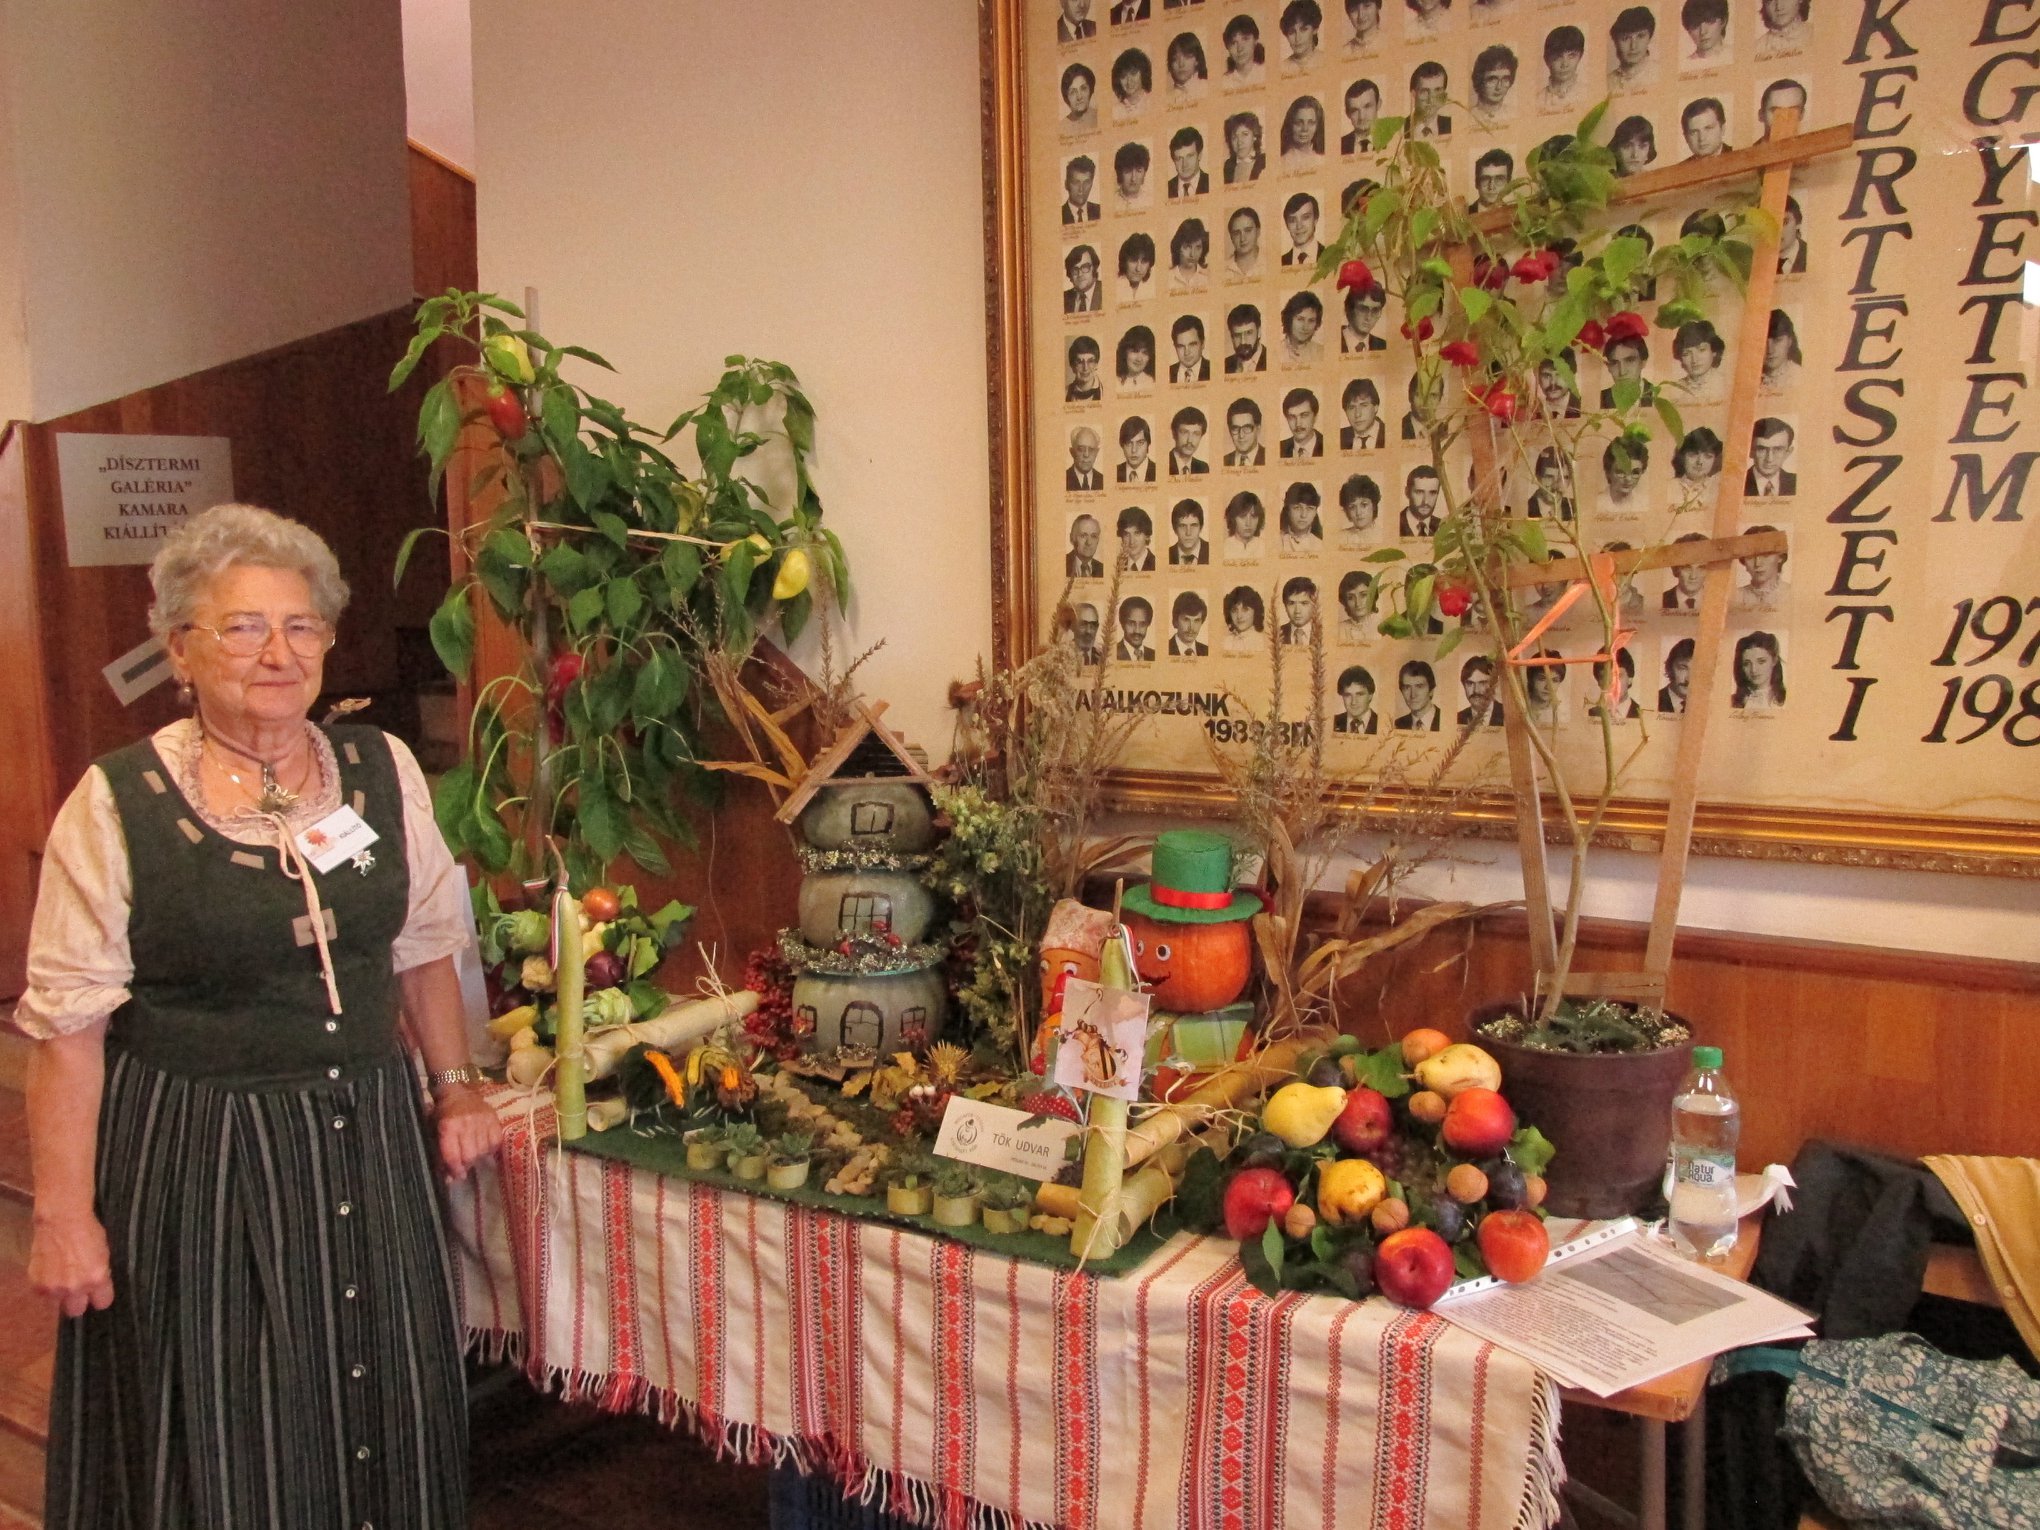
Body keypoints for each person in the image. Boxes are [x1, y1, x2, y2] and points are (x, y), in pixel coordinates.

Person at [21, 503, 496, 1529]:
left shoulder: (378, 769)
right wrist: (62, 1216)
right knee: (227, 1424)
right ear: (179, 649)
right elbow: (68, 1033)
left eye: (300, 625)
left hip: (371, 1138)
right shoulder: (118, 802)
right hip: (199, 1153)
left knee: (389, 1396)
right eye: (242, 627)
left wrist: (457, 1089)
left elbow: (423, 943)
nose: (278, 653)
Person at [1671, 319, 1727, 405]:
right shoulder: (1674, 390)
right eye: (1686, 353)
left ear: (1714, 351)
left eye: (1702, 349)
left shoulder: (1725, 385)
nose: (1694, 360)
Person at [1734, 524, 1788, 612]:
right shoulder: (1734, 597)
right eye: (1750, 557)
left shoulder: (1792, 594)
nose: (1758, 564)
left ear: (1780, 557)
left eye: (1765, 555)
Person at [1732, 630, 1786, 711]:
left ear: (1774, 661)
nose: (1753, 670)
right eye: (1747, 664)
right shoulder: (1733, 702)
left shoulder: (1786, 700)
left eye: (1761, 662)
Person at [1538, 25, 1587, 112]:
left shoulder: (1587, 93)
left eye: (1572, 56)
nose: (1565, 64)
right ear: (1546, 59)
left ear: (1580, 56)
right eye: (1558, 57)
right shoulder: (1538, 100)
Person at [1608, 7, 1658, 93]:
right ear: (1616, 42)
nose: (1633, 46)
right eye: (1625, 38)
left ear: (1650, 38)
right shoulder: (1608, 81)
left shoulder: (1658, 72)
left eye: (1640, 36)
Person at [1599, 333, 1653, 409]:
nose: (1622, 372)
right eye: (1614, 363)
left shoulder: (1657, 394)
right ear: (1608, 367)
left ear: (1643, 362)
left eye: (1630, 360)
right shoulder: (1600, 399)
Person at [1471, 44, 1517, 128]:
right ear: (1480, 80)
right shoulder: (1469, 116)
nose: (1499, 87)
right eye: (1492, 79)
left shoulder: (1514, 114)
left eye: (1505, 79)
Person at [1747, 417, 1797, 497]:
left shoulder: (1797, 483)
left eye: (1778, 449)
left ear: (1788, 452)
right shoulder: (1735, 483)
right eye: (1762, 449)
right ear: (1750, 451)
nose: (1769, 459)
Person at [1662, 532, 1710, 611]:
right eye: (1687, 568)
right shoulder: (1659, 601)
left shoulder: (1720, 602)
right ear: (1675, 569)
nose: (1693, 576)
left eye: (1701, 568)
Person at [1674, 427, 1723, 503]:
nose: (1700, 462)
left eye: (1708, 456)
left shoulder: (1719, 489)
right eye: (1693, 454)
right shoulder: (1669, 488)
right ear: (1683, 456)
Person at [1525, 446, 1575, 522]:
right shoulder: (1524, 510)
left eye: (1564, 478)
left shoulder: (1576, 510)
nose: (1556, 486)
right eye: (1549, 477)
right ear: (1537, 477)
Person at [1589, 648, 1640, 721]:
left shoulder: (1642, 714)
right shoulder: (1591, 714)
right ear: (1599, 682)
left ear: (1630, 679)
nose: (1612, 683)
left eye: (1618, 675)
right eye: (1605, 677)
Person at [1278, 290, 1326, 367]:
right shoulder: (1276, 351)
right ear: (1289, 319)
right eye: (1300, 319)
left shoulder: (1321, 352)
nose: (1305, 327)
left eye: (1311, 320)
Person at [1760, 309, 1802, 395]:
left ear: (1789, 341)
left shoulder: (1798, 375)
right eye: (1763, 342)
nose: (1770, 350)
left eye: (1777, 340)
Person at [1601, 437, 1650, 511]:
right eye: (1621, 472)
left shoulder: (1644, 505)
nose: (1628, 479)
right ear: (1608, 471)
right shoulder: (1597, 504)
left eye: (1635, 472)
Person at [1221, 13, 1267, 89]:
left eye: (1245, 39)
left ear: (1255, 40)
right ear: (1227, 47)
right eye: (1233, 43)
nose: (1240, 48)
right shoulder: (1223, 82)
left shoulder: (1266, 72)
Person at [1279, 96, 1327, 170]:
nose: (1305, 129)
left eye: (1311, 123)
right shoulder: (1282, 162)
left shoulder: (1323, 159)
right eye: (1299, 123)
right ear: (1290, 124)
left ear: (1317, 126)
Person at [1341, 281, 1389, 352]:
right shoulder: (1333, 341)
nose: (1368, 317)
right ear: (1349, 308)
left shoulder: (1383, 345)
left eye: (1375, 310)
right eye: (1363, 309)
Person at [1393, 659, 1442, 730]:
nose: (1413, 695)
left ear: (1431, 690)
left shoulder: (1446, 720)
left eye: (1419, 686)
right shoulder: (1396, 725)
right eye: (1407, 687)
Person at [1166, 218, 1211, 293]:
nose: (1192, 254)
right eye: (1187, 247)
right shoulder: (1167, 278)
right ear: (1178, 247)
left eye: (1198, 247)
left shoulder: (1209, 277)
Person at [1278, 482, 1324, 554]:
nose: (1303, 515)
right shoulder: (1277, 541)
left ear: (1315, 512)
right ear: (1288, 510)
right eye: (1297, 508)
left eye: (1309, 508)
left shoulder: (1320, 544)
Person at [1409, 60, 1452, 136]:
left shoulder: (1451, 125)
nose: (1431, 100)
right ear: (1413, 95)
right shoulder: (1400, 128)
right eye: (1425, 91)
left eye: (1438, 90)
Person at [1680, 0, 1730, 67]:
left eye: (1710, 21)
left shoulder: (1733, 55)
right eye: (1695, 25)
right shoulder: (1686, 64)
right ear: (1689, 31)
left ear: (1723, 21)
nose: (1703, 32)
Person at [1336, 473, 1381, 545]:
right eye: (1352, 507)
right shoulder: (1341, 537)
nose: (1358, 512)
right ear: (1347, 511)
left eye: (1364, 505)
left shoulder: (1382, 535)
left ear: (1374, 506)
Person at [1165, 31, 1210, 102]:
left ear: (1197, 60)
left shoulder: (1207, 88)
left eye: (1187, 56)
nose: (1181, 64)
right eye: (1175, 59)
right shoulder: (1167, 98)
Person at [1279, 192, 1323, 266]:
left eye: (1305, 217)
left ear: (1315, 219)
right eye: (1292, 220)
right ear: (1287, 225)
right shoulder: (1281, 262)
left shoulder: (1330, 255)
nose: (1299, 226)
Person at [1280, 387, 1324, 458]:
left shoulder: (1328, 445)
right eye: (1292, 417)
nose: (1298, 424)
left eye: (1304, 415)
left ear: (1315, 417)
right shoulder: (1279, 448)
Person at [1340, 379, 1386, 449]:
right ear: (1345, 412)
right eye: (1351, 408)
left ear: (1376, 407)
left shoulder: (1390, 434)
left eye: (1364, 405)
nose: (1357, 414)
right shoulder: (1339, 437)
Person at [1399, 464, 1443, 537]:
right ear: (1407, 492)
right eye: (1419, 492)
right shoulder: (1394, 523)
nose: (1426, 501)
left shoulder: (1444, 527)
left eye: (1432, 493)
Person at [1522, 651, 1565, 726]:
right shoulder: (1520, 709)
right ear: (1531, 679)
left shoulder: (1561, 714)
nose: (1548, 687)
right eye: (1542, 679)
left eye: (1554, 680)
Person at [1280, 0, 1324, 71]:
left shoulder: (1327, 61)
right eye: (1292, 32)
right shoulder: (1282, 69)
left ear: (1315, 29)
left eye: (1303, 29)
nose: (1298, 38)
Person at [1535, 350, 1581, 418]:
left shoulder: (1585, 408)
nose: (1553, 382)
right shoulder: (1532, 412)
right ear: (1538, 377)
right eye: (1546, 376)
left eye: (1560, 375)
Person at [1341, 78, 1382, 154]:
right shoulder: (1341, 145)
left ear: (1379, 104)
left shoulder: (1392, 140)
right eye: (1354, 110)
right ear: (1347, 113)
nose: (1361, 117)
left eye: (1367, 107)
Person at [1223, 205, 1264, 280]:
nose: (1242, 239)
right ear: (1231, 237)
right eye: (1236, 233)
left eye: (1248, 230)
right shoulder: (1223, 269)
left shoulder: (1269, 262)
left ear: (1258, 232)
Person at [1167, 126, 1210, 198]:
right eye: (1179, 158)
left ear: (1199, 155)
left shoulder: (1210, 182)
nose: (1185, 164)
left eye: (1190, 156)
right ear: (1173, 160)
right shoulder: (1166, 188)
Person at [1111, 142, 1154, 213]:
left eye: (1139, 171)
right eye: (1128, 171)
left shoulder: (1150, 200)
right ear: (1119, 173)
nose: (1133, 178)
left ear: (1144, 173)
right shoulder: (1111, 202)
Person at [1223, 113, 1266, 184]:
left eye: (1245, 134)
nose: (1239, 142)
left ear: (1255, 136)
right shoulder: (1228, 166)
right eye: (1234, 137)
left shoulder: (1264, 162)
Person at [1333, 665, 1379, 731]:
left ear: (1370, 695)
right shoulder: (1334, 722)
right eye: (1348, 695)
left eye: (1359, 694)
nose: (1353, 702)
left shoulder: (1381, 724)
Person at [1111, 48, 1153, 120]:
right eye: (1123, 76)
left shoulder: (1154, 101)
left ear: (1143, 73)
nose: (1129, 81)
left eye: (1133, 73)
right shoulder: (1115, 111)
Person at [1117, 229, 1158, 302]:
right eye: (1134, 260)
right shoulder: (1115, 290)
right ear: (1124, 261)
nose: (1138, 268)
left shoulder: (1151, 291)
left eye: (1144, 261)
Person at [1223, 493, 1267, 561]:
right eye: (1242, 516)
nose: (1248, 523)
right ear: (1233, 519)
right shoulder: (1223, 548)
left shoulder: (1265, 547)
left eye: (1253, 516)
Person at [1401, 371, 1444, 440]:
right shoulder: (1399, 428)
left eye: (1433, 395)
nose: (1426, 402)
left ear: (1440, 399)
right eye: (1420, 394)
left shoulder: (1445, 429)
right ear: (1410, 396)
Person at [1225, 303, 1268, 372]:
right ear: (1231, 336)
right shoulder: (1225, 364)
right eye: (1237, 335)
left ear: (1259, 332)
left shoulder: (1271, 359)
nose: (1243, 342)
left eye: (1248, 333)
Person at [1223, 585, 1266, 653]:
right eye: (1234, 610)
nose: (1239, 616)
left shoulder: (1261, 641)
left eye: (1245, 609)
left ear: (1256, 611)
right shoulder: (1226, 642)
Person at [1167, 406, 1210, 474]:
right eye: (1184, 432)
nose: (1189, 440)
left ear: (1201, 436)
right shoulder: (1164, 463)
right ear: (1174, 434)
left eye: (1196, 434)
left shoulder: (1203, 468)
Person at [1224, 398, 1265, 466]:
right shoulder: (1224, 461)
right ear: (1230, 431)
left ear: (1258, 429)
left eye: (1247, 428)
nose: (1241, 435)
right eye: (1235, 428)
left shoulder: (1268, 457)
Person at [1115, 325, 1157, 394]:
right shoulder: (1114, 381)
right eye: (1135, 351)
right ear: (1125, 352)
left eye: (1145, 353)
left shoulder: (1152, 383)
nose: (1139, 359)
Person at [1168, 499, 1211, 564]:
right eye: (1182, 526)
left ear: (1201, 527)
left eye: (1193, 525)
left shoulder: (1213, 551)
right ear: (1174, 529)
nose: (1188, 533)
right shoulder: (1166, 555)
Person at [1168, 314, 1210, 381]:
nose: (1186, 352)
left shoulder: (1213, 369)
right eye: (1181, 346)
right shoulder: (1168, 372)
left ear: (1203, 344)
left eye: (1192, 345)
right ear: (1175, 347)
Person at [1336, 570, 1376, 639]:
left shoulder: (1382, 626)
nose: (1358, 603)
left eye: (1363, 595)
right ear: (1345, 601)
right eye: (1350, 598)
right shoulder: (1339, 629)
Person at [1065, 244, 1105, 313]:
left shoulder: (1106, 291)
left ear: (1094, 268)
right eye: (1075, 269)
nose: (1080, 274)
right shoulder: (1064, 298)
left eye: (1085, 267)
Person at [1658, 637, 1694, 713]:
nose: (1688, 679)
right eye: (1683, 668)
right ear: (1669, 667)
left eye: (1696, 670)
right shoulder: (1654, 700)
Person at [1118, 415, 1158, 482]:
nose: (1134, 450)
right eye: (1129, 443)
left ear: (1148, 444)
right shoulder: (1114, 472)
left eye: (1140, 443)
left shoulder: (1159, 471)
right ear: (1122, 445)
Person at [1117, 505, 1158, 570]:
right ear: (1122, 537)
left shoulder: (1157, 565)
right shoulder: (1117, 566)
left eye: (1137, 533)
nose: (1132, 541)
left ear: (1147, 536)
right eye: (1127, 534)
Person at [1062, 62, 1101, 132]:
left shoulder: (1100, 116)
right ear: (1066, 97)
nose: (1079, 97)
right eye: (1073, 92)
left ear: (1090, 90)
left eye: (1083, 88)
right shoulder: (1062, 127)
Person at [1117, 596, 1158, 661]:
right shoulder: (1113, 653)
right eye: (1131, 623)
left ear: (1148, 624)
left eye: (1142, 624)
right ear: (1122, 623)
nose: (1137, 631)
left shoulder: (1154, 655)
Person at [1279, 575, 1319, 643]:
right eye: (1291, 603)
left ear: (1314, 605)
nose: (1297, 611)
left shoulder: (1324, 633)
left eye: (1304, 603)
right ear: (1285, 606)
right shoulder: (1276, 634)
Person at [1062, 156, 1101, 223]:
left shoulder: (1100, 211)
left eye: (1086, 183)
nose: (1081, 189)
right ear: (1066, 184)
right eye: (1076, 183)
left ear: (1091, 184)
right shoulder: (1059, 215)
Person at [1776, 192, 1808, 274]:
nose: (1777, 230)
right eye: (1769, 224)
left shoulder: (1810, 255)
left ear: (1798, 223)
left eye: (1784, 222)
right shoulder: (1757, 259)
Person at [1067, 426, 1105, 491]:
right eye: (1081, 449)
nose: (1086, 455)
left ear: (1096, 453)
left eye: (1091, 449)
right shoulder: (1063, 479)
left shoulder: (1103, 480)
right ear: (1072, 452)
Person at [1067, 334, 1104, 401]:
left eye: (1090, 361)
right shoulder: (1063, 393)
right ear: (1072, 366)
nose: (1085, 368)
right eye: (1080, 362)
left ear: (1096, 364)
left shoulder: (1107, 393)